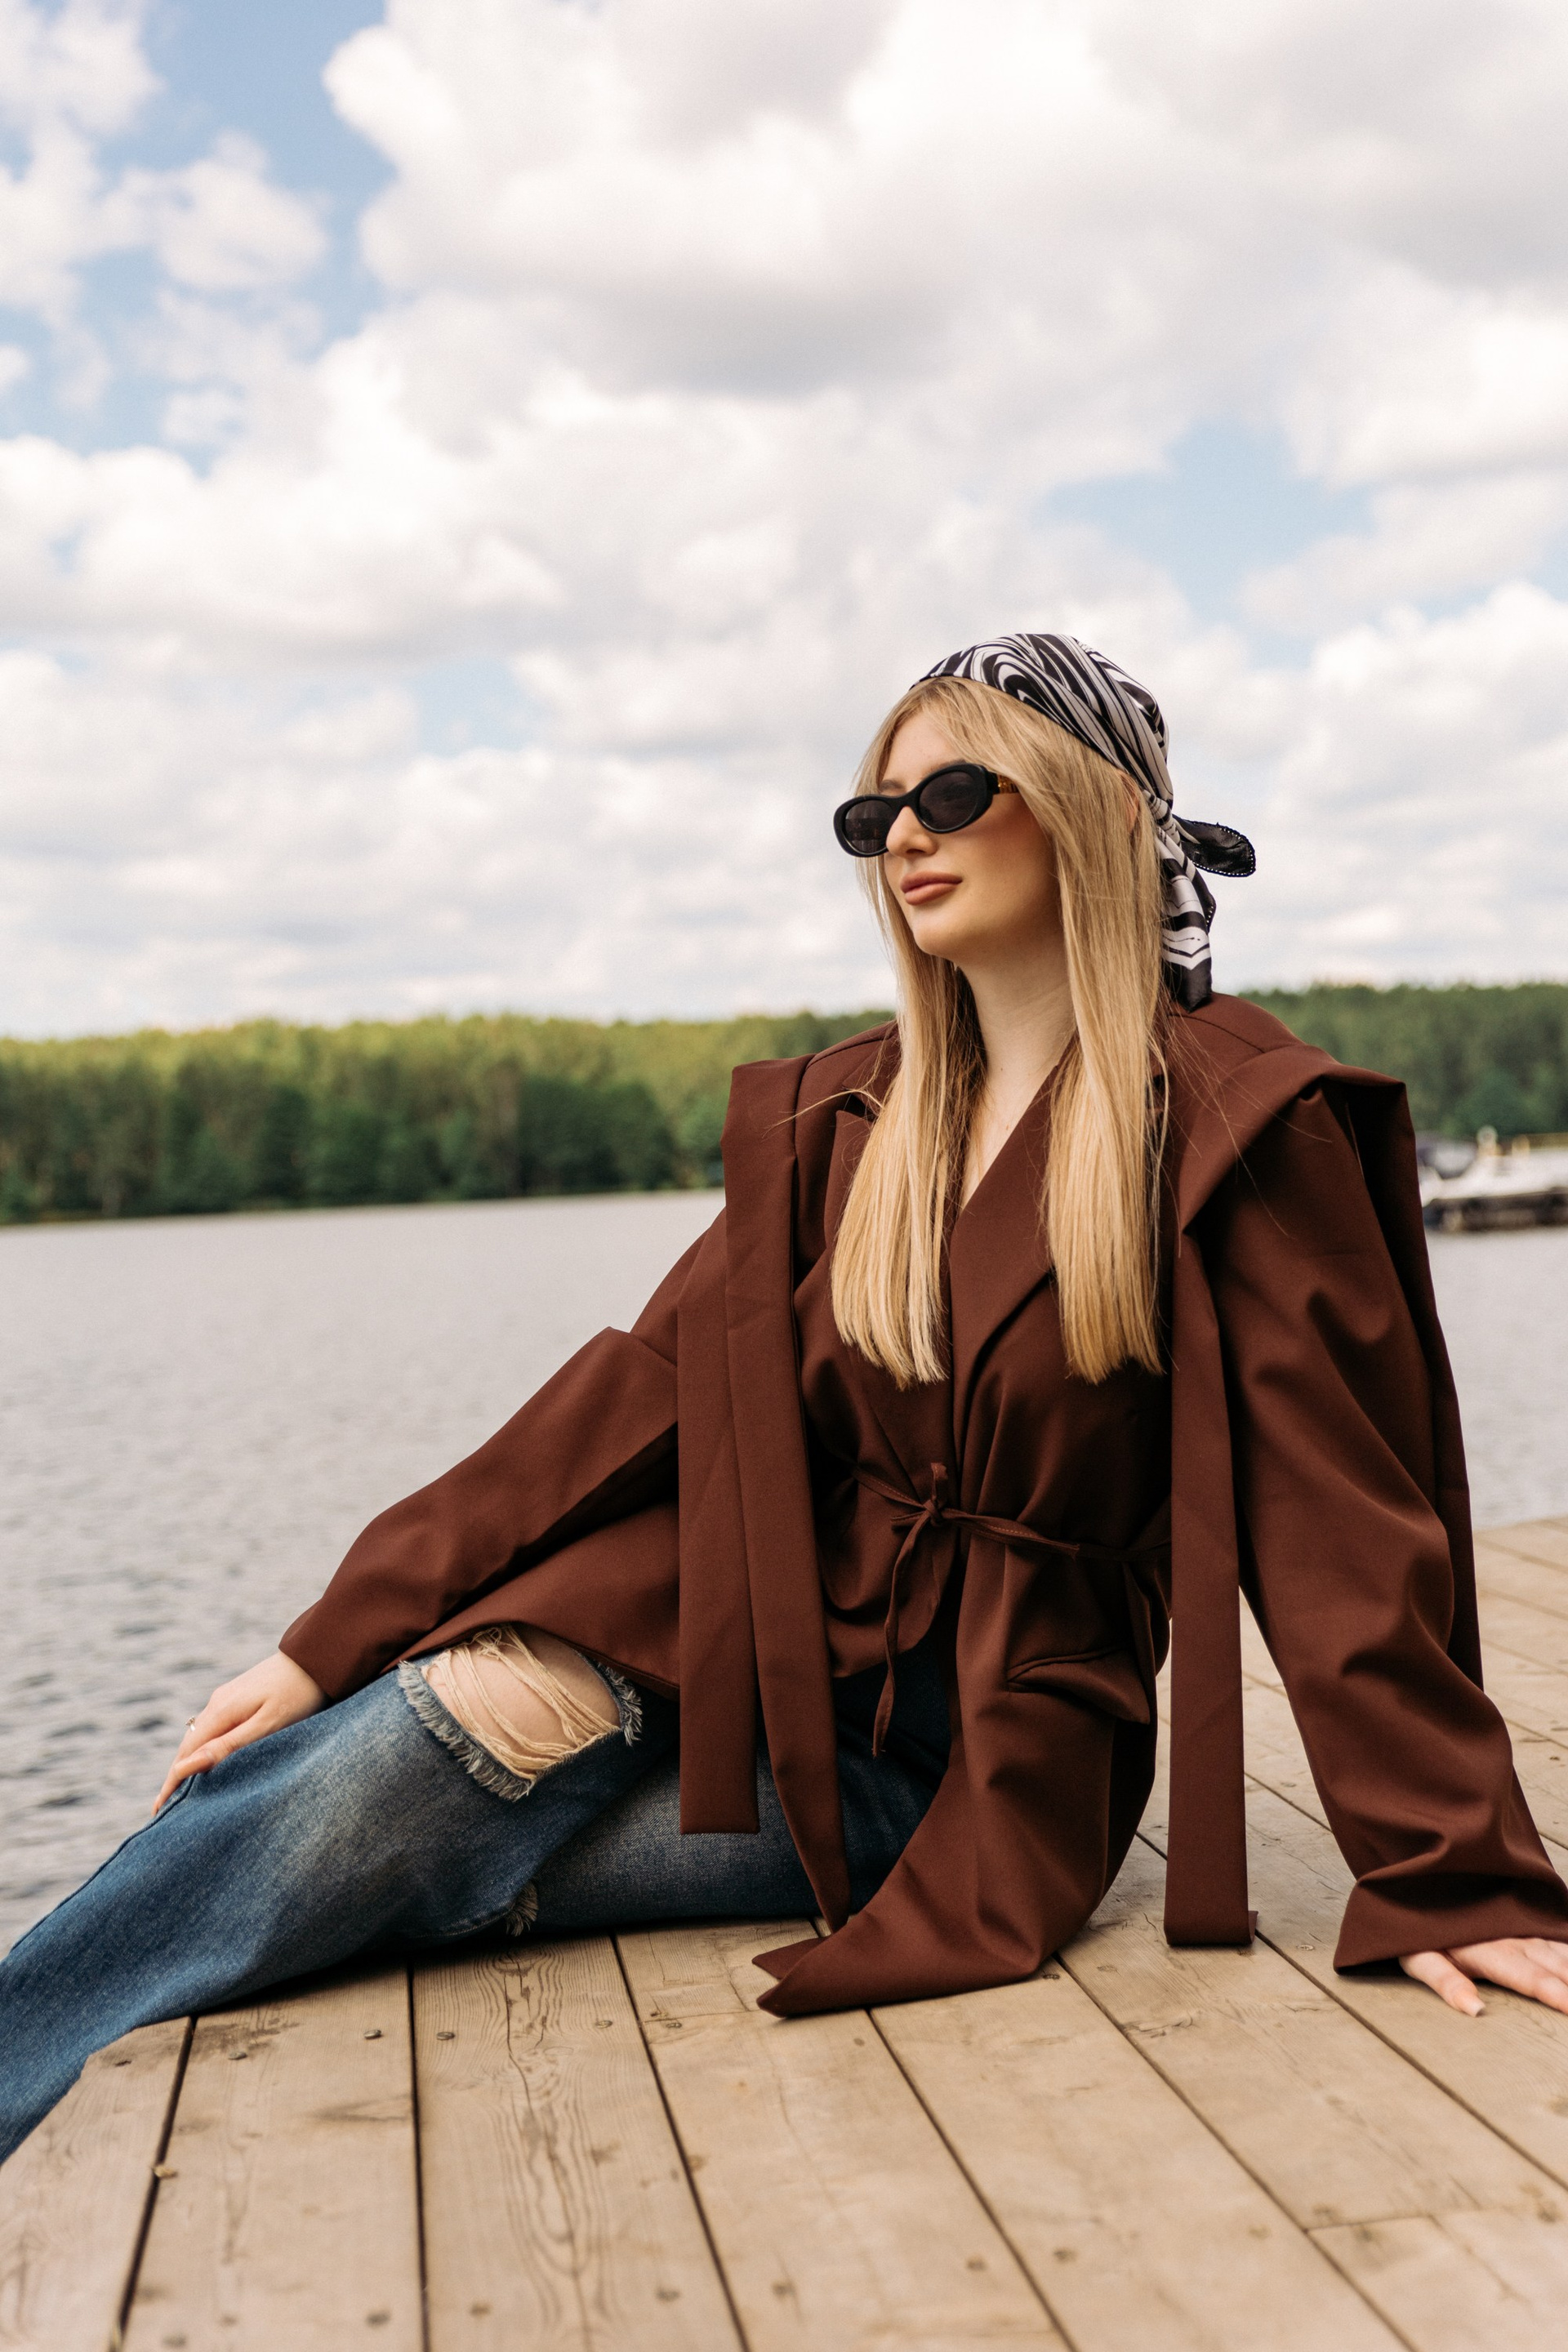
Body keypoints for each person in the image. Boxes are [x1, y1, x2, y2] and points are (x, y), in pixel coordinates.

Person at [5, 629, 1567, 2167]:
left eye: (952, 796)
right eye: (874, 813)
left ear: (1094, 807)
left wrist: (1451, 1868)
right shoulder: (850, 1117)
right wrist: (328, 1636)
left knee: (380, 1835)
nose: (904, 840)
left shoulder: (1236, 1124)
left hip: (979, 1766)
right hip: (766, 1667)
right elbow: (635, 1396)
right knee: (433, 1727)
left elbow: (1341, 1529)